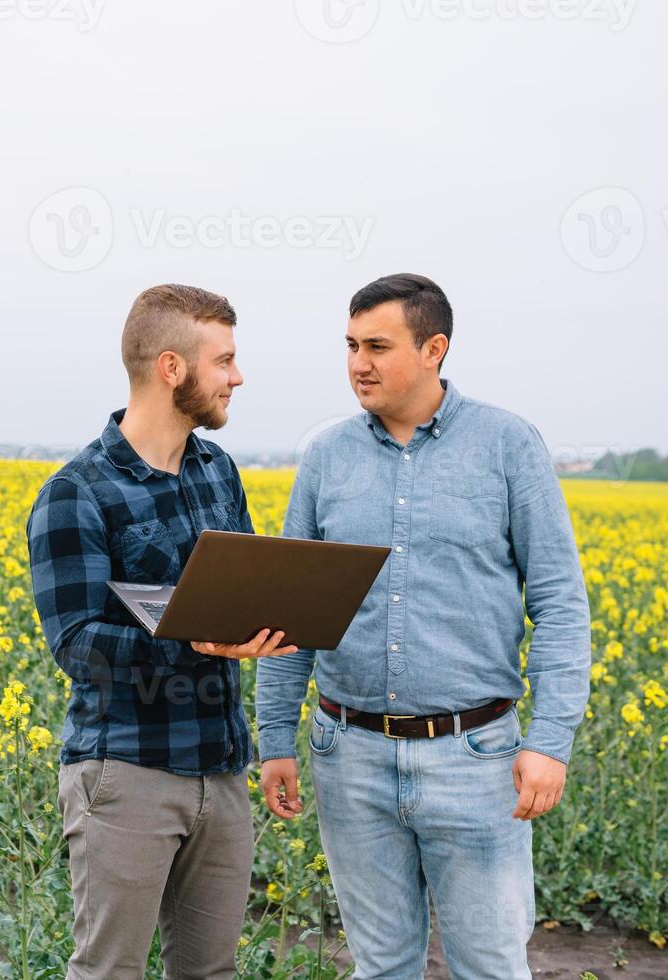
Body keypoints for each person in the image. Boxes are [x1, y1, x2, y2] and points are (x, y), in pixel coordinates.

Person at [254, 273, 592, 979]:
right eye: (349, 345)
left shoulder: (507, 445)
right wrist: (275, 738)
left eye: (378, 345)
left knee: (491, 968)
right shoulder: (326, 456)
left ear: (434, 348)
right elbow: (291, 612)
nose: (357, 363)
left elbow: (559, 601)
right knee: (379, 968)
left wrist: (551, 740)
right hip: (349, 757)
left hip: (476, 759)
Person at [26, 283, 297, 980]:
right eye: (225, 361)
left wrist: (270, 617)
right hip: (126, 773)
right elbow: (78, 644)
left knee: (211, 975)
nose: (238, 377)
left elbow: (237, 590)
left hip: (220, 766)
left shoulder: (218, 472)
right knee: (109, 972)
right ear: (171, 368)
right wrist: (193, 639)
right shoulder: (76, 491)